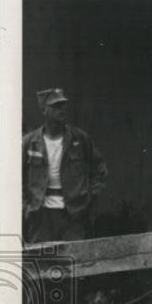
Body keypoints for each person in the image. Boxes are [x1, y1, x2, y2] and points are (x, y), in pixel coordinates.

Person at [23, 88, 107, 243]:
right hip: (41, 216)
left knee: (72, 262)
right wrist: (25, 207)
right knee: (42, 262)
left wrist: (89, 198)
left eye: (62, 105)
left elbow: (99, 169)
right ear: (44, 110)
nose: (61, 110)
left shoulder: (79, 138)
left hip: (73, 215)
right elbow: (15, 178)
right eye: (55, 106)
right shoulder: (29, 142)